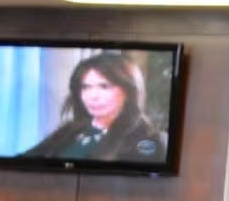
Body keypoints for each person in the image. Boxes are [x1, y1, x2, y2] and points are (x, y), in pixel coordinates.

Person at [22, 53, 166, 164]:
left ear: (128, 91)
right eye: (86, 87)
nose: (93, 96)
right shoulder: (70, 130)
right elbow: (23, 162)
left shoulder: (144, 139)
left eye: (104, 86)